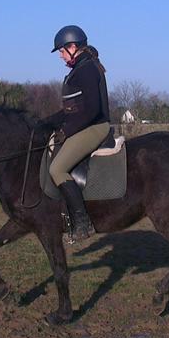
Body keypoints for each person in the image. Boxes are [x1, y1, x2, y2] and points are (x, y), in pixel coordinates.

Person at [45, 24, 111, 244]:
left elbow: (91, 110)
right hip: (84, 125)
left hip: (95, 126)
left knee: (57, 169)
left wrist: (66, 131)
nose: (61, 56)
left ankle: (82, 223)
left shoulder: (87, 69)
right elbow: (71, 111)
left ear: (73, 47)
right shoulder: (79, 69)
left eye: (62, 51)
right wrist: (45, 123)